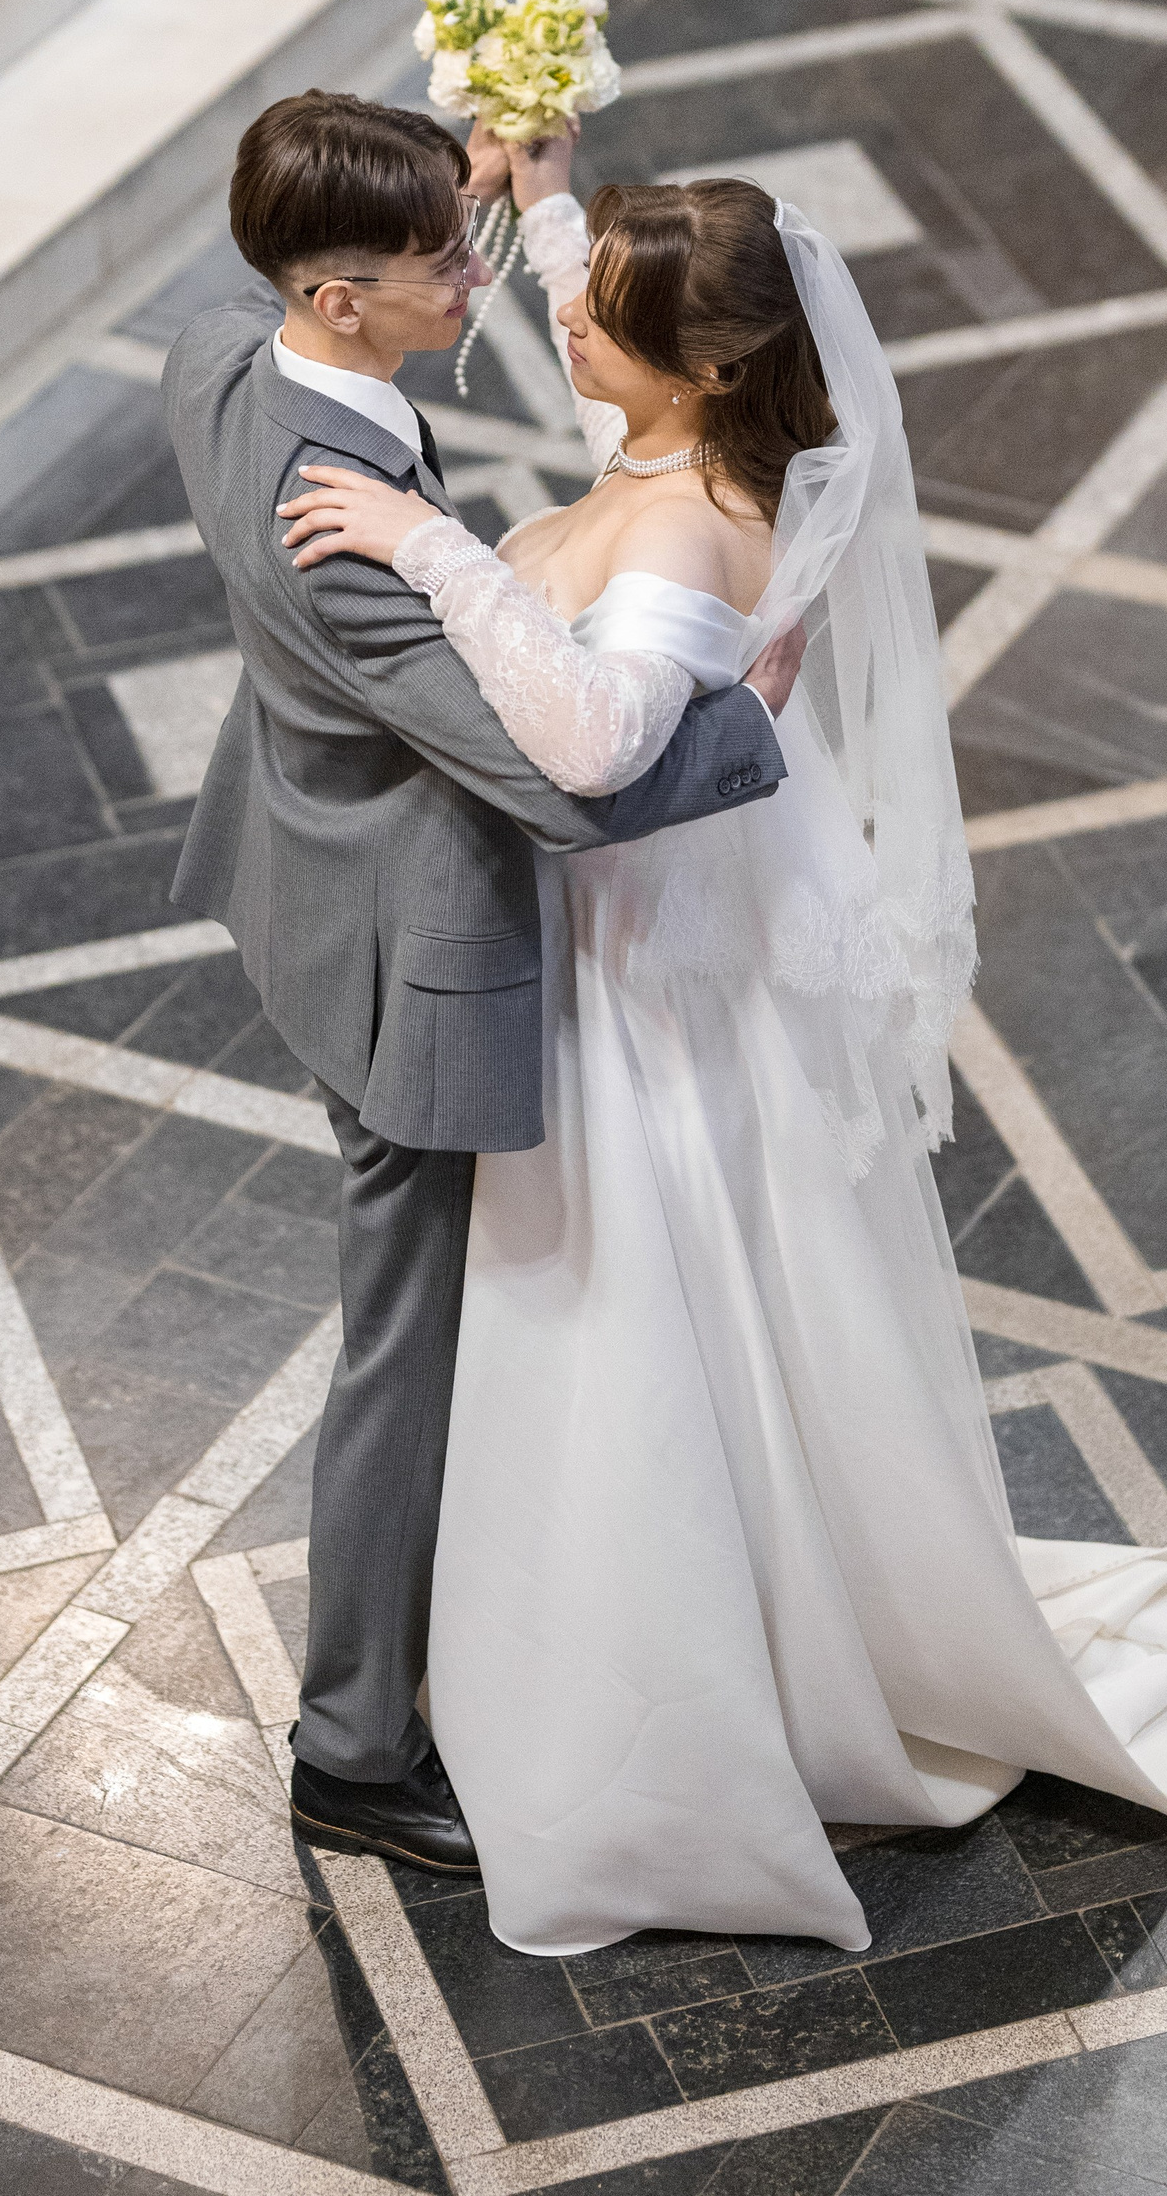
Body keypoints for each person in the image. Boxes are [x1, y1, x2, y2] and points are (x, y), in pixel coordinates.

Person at [277, 121, 1167, 1957]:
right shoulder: (689, 444)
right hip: (643, 943)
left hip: (639, 981)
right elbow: (610, 356)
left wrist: (430, 547)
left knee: (630, 1305)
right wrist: (544, 198)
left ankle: (661, 1689)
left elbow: (596, 740)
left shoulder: (689, 525)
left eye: (599, 316)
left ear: (704, 367)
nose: (565, 327)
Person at [162, 92, 808, 1878]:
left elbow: (373, 246)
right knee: (405, 1346)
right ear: (341, 297)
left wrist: (489, 175)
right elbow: (570, 788)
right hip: (404, 961)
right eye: (445, 257)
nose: (483, 270)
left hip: (300, 871)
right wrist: (752, 724)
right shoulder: (342, 546)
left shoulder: (226, 360)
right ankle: (352, 1746)